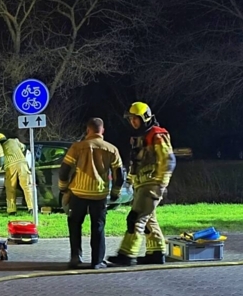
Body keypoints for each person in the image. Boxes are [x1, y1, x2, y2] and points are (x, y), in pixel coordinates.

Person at [108, 102, 176, 266]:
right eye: (131, 119)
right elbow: (137, 163)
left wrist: (161, 183)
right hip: (142, 184)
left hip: (152, 184)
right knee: (149, 221)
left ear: (145, 117)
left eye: (135, 119)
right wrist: (131, 180)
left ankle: (127, 254)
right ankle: (156, 252)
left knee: (135, 218)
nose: (133, 122)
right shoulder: (141, 136)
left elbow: (168, 160)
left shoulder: (157, 135)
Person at [57, 118, 124, 270]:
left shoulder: (77, 147)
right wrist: (115, 193)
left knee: (75, 225)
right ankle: (97, 261)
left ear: (88, 130)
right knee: (98, 227)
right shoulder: (112, 149)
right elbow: (119, 175)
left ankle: (75, 257)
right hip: (99, 195)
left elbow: (64, 170)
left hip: (78, 193)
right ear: (102, 130)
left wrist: (63, 188)